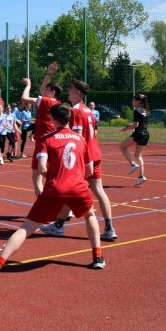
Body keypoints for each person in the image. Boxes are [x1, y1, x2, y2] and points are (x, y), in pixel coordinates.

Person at [0, 103, 104, 278]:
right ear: (69, 119)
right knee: (90, 215)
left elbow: (42, 168)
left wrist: (56, 176)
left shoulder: (47, 138)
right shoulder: (80, 139)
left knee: (27, 227)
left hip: (55, 187)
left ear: (53, 120)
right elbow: (89, 170)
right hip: (79, 187)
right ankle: (98, 257)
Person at [42, 79, 117, 241]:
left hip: (84, 157)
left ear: (78, 93)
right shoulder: (88, 110)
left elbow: (77, 137)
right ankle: (109, 227)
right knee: (98, 191)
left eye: (71, 88)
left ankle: (59, 225)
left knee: (70, 188)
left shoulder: (75, 111)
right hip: (95, 153)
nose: (68, 91)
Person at [21, 62, 62, 191]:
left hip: (44, 140)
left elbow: (24, 98)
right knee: (53, 172)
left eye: (47, 90)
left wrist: (28, 85)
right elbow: (42, 89)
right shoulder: (58, 102)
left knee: (37, 175)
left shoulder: (45, 100)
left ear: (52, 92)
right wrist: (49, 74)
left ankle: (44, 201)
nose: (44, 91)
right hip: (55, 139)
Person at [120, 94, 150, 186]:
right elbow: (140, 123)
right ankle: (141, 177)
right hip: (146, 134)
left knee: (122, 147)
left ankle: (132, 164)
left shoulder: (136, 110)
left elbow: (136, 125)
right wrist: (129, 125)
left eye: (133, 100)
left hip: (139, 134)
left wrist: (126, 129)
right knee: (138, 155)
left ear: (138, 101)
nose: (132, 101)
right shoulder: (145, 110)